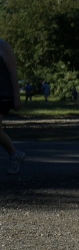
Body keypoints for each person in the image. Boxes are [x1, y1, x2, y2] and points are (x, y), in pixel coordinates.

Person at [1, 39, 25, 175]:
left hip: (3, 94)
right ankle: (15, 154)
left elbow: (13, 73)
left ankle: (14, 154)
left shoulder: (3, 46)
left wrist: (17, 98)